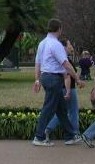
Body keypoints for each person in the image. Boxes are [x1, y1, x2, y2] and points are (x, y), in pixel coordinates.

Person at [31, 19, 85, 147]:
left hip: (46, 77)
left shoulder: (42, 43)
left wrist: (37, 79)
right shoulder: (56, 45)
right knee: (48, 108)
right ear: (59, 29)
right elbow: (66, 64)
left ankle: (70, 136)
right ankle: (39, 137)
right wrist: (77, 79)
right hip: (54, 78)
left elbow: (38, 63)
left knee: (61, 109)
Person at [45, 38, 79, 138]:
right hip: (69, 89)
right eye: (69, 45)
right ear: (64, 47)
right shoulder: (64, 60)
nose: (71, 47)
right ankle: (74, 133)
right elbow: (67, 75)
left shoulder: (61, 58)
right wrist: (69, 90)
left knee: (61, 112)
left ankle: (48, 128)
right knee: (72, 111)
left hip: (62, 88)